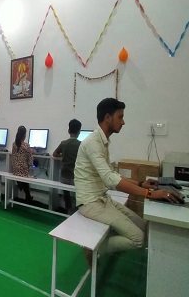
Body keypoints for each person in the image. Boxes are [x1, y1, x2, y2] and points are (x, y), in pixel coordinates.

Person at [74, 98, 182, 266]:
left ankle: (99, 245)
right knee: (139, 239)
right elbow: (110, 179)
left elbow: (112, 174)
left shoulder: (102, 141)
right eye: (120, 117)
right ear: (108, 117)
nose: (123, 122)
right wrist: (150, 194)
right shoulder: (92, 143)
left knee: (144, 227)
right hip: (90, 203)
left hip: (102, 199)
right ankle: (93, 248)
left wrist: (140, 184)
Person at [52, 119, 82, 212]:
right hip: (75, 178)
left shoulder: (63, 143)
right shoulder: (81, 144)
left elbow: (54, 154)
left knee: (66, 193)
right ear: (79, 132)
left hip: (64, 177)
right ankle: (78, 210)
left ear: (68, 131)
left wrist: (63, 154)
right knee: (81, 191)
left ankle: (68, 207)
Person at [11, 126, 33, 202]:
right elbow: (30, 161)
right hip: (23, 170)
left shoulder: (14, 144)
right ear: (24, 135)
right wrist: (31, 152)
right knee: (27, 174)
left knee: (22, 174)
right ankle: (28, 196)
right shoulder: (26, 145)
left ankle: (21, 186)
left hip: (15, 170)